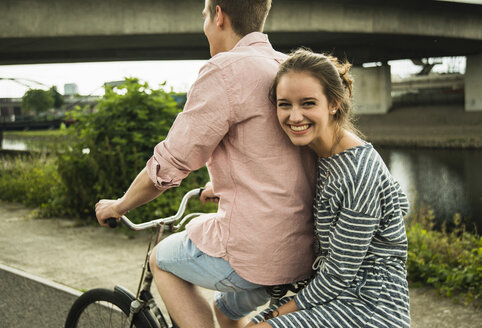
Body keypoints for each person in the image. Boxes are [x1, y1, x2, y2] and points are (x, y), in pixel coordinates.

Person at [95, 1, 317, 328]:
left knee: (161, 259)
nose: (205, 25)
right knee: (226, 310)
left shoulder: (224, 71)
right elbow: (279, 156)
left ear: (219, 15)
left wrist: (121, 204)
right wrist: (225, 184)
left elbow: (168, 167)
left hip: (256, 254)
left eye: (204, 15)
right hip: (304, 250)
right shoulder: (288, 67)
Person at [247, 49, 411, 328]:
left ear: (334, 103)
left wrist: (274, 315)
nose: (294, 116)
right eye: (284, 104)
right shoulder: (317, 152)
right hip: (335, 292)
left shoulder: (359, 172)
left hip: (371, 306)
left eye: (308, 103)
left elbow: (339, 273)